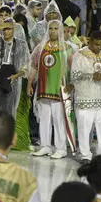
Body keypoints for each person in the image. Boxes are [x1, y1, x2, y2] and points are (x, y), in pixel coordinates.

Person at [28, 20, 74, 160]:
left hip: (59, 90)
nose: (53, 31)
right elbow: (34, 66)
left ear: (60, 31)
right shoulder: (40, 48)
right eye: (51, 28)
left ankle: (60, 148)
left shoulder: (68, 48)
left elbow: (73, 70)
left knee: (59, 119)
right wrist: (29, 83)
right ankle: (45, 146)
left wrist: (71, 85)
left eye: (55, 28)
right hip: (43, 89)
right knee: (44, 119)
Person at [72, 31, 101, 164]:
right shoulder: (80, 55)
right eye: (96, 44)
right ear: (89, 41)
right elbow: (74, 76)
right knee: (84, 127)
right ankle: (85, 155)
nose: (98, 47)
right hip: (84, 97)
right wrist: (92, 76)